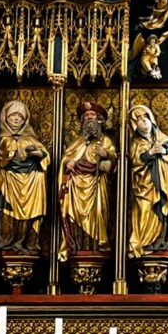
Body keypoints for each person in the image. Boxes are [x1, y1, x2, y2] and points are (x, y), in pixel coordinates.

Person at [0, 100, 51, 253]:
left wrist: (40, 154)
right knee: (7, 211)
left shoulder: (31, 139)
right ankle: (7, 241)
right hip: (10, 180)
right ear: (5, 118)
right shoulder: (1, 139)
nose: (16, 119)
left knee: (30, 214)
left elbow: (46, 156)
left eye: (20, 117)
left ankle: (25, 242)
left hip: (31, 181)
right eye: (12, 116)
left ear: (25, 120)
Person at [59, 102, 117, 261]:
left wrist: (106, 155)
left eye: (92, 116)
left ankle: (96, 244)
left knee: (97, 213)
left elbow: (114, 163)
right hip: (76, 187)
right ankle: (77, 245)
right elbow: (66, 157)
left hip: (96, 184)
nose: (89, 119)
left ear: (99, 120)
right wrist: (67, 163)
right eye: (86, 117)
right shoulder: (77, 142)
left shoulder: (105, 141)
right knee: (74, 216)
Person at [128, 104, 168, 258]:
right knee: (146, 211)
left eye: (145, 117)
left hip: (165, 186)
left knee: (166, 211)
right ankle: (146, 243)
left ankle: (163, 241)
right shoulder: (135, 143)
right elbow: (135, 161)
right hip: (145, 187)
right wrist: (150, 153)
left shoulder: (163, 138)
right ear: (134, 126)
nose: (143, 120)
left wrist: (165, 152)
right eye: (138, 119)